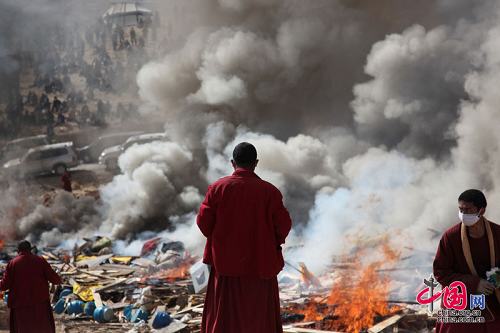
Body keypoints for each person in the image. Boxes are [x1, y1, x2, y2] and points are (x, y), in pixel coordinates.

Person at [197, 142, 292, 333]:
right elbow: (283, 227)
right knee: (260, 321)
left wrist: (223, 239)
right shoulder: (270, 192)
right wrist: (266, 242)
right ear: (256, 163)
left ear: (233, 163)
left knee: (225, 320)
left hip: (226, 268)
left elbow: (204, 223)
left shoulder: (217, 189)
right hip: (260, 268)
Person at [433, 189, 500, 332]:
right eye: (460, 209)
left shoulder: (497, 233)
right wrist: (474, 283)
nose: (463, 215)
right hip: (462, 298)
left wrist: (497, 277)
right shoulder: (451, 237)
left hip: (494, 297)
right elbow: (440, 272)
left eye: (467, 210)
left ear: (481, 210)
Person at [0, 240, 62, 333]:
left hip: (20, 307)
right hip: (40, 305)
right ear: (30, 249)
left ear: (18, 250)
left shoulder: (13, 263)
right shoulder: (40, 260)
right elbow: (56, 280)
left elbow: (4, 286)